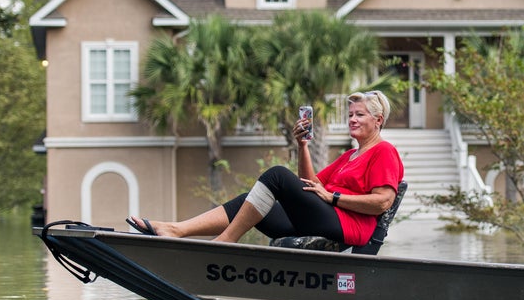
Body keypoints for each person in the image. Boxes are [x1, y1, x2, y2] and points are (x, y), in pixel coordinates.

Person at [127, 91, 404, 246]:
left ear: (378, 120)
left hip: (348, 226)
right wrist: (302, 145)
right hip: (325, 218)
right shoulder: (348, 157)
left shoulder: (384, 152)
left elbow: (382, 202)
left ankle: (225, 241)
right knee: (252, 200)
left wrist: (333, 198)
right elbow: (309, 185)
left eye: (359, 115)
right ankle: (176, 229)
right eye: (350, 115)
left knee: (276, 175)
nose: (352, 120)